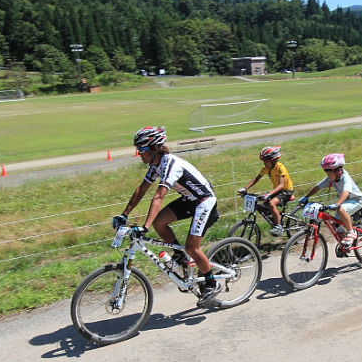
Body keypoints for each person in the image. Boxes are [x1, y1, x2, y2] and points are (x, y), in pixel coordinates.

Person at [112, 126, 221, 306]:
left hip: (204, 201)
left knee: (192, 247)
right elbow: (141, 190)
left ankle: (211, 282)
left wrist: (144, 227)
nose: (139, 154)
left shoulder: (171, 164)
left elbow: (159, 196)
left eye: (141, 150)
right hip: (190, 199)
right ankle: (181, 256)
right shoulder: (155, 165)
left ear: (155, 149)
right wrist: (124, 215)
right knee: (159, 222)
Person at [298, 153, 362, 248]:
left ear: (337, 171)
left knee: (340, 209)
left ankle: (351, 232)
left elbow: (346, 192)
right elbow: (317, 187)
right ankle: (344, 243)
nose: (328, 175)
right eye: (327, 173)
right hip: (346, 201)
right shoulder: (331, 179)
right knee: (335, 223)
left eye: (329, 173)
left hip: (356, 200)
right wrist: (306, 196)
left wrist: (337, 204)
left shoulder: (345, 177)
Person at [237, 146, 294, 236]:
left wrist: (269, 193)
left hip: (286, 191)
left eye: (266, 162)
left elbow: (281, 185)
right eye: (263, 161)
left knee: (272, 204)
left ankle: (279, 227)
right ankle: (275, 219)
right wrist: (245, 188)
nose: (264, 163)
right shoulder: (266, 168)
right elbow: (256, 179)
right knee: (264, 204)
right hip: (277, 191)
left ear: (273, 160)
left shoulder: (280, 168)